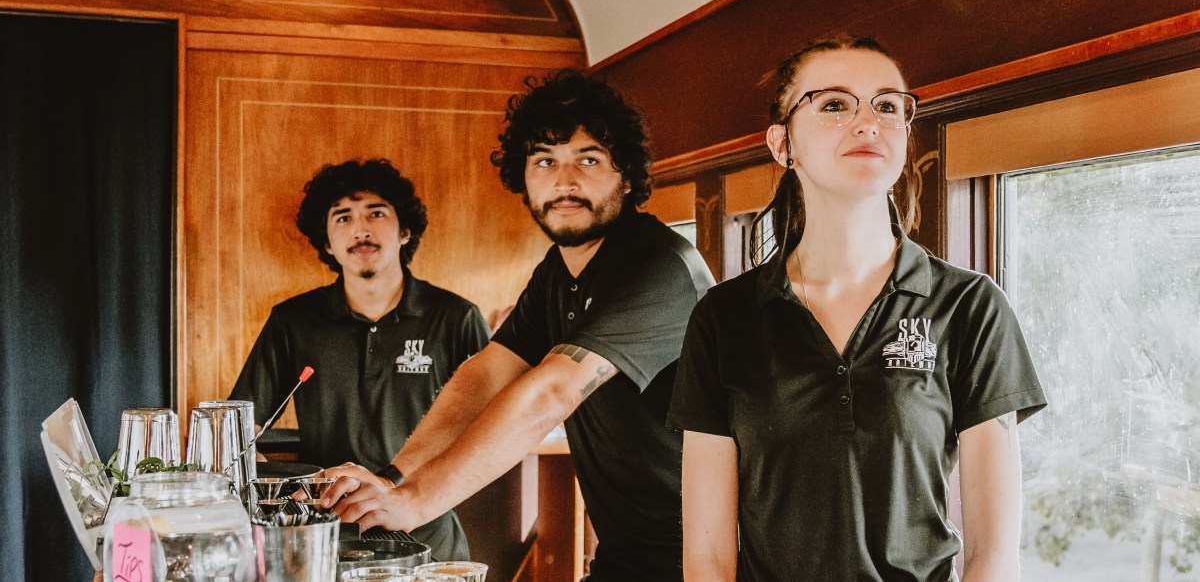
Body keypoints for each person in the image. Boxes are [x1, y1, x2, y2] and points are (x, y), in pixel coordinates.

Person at [667, 34, 1047, 582]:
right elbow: (707, 558)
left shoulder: (969, 307)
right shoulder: (724, 317)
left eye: (888, 106)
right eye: (834, 105)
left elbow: (993, 556)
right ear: (782, 144)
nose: (868, 122)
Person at [320, 70, 716, 582]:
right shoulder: (559, 271)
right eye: (545, 161)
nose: (564, 181)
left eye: (588, 160)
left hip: (706, 557)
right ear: (523, 178)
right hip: (629, 553)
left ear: (627, 176)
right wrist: (394, 477)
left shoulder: (659, 266)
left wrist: (413, 504)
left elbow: (552, 390)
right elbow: (485, 374)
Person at [229, 158, 489, 561]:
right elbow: (242, 427)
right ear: (328, 243)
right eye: (343, 217)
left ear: (404, 231)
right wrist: (258, 485)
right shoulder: (293, 321)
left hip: (427, 528)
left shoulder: (456, 318)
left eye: (376, 213)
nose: (360, 229)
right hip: (327, 530)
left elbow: (491, 427)